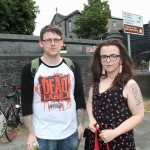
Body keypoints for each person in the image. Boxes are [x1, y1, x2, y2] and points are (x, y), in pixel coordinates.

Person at [21, 24, 86, 150]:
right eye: (48, 40)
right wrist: (30, 134)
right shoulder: (30, 68)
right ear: (41, 43)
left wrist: (81, 124)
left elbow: (79, 97)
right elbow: (26, 104)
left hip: (70, 134)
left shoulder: (72, 66)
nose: (52, 43)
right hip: (42, 136)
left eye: (56, 39)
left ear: (62, 42)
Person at [86, 38, 144, 150]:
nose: (108, 60)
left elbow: (138, 115)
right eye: (104, 57)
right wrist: (91, 119)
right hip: (96, 139)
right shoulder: (96, 82)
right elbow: (89, 103)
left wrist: (115, 132)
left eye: (113, 56)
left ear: (121, 59)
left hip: (120, 141)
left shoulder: (129, 84)